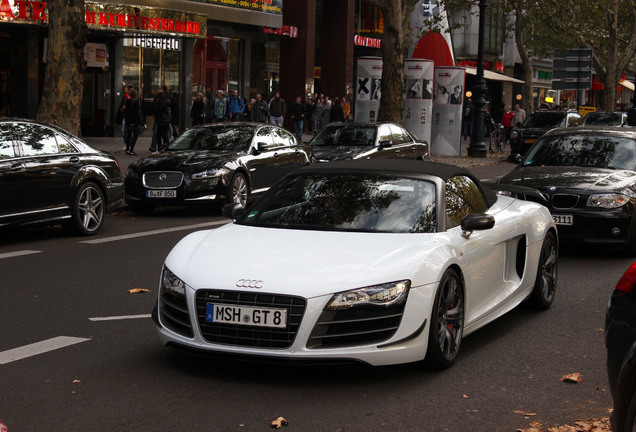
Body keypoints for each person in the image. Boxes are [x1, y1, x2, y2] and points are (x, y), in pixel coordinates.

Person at [124, 89, 141, 155]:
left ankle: (128, 148)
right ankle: (131, 149)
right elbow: (137, 114)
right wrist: (139, 122)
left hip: (129, 121)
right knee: (135, 136)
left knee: (129, 135)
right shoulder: (136, 103)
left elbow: (126, 113)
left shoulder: (128, 102)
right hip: (135, 122)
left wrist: (127, 120)